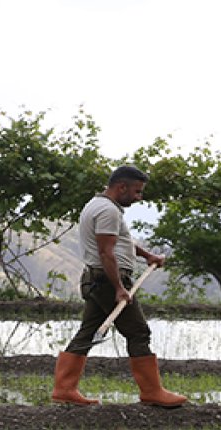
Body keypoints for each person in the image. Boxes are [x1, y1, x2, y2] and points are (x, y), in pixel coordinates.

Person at [52, 165, 186, 408]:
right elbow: (106, 252)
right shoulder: (108, 211)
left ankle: (64, 388)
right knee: (138, 332)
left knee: (88, 331)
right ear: (121, 187)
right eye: (136, 191)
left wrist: (146, 255)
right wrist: (119, 288)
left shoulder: (97, 205)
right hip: (107, 280)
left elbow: (118, 241)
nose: (138, 197)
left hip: (97, 279)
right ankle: (152, 391)